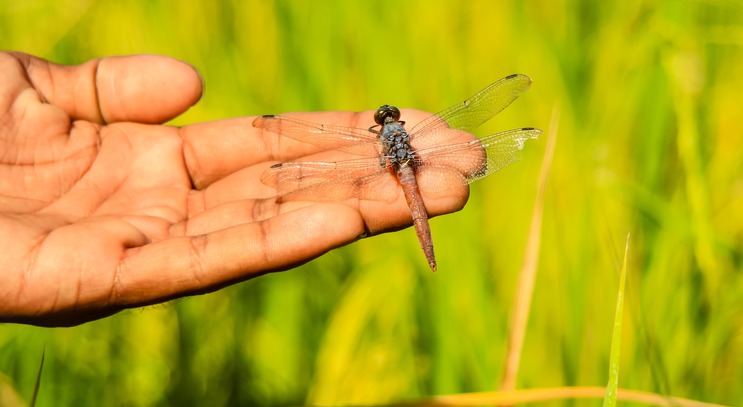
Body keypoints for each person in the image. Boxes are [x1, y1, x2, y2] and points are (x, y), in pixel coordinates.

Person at [0, 51, 471, 327]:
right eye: (387, 121)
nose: (388, 123)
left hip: (396, 170)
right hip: (409, 167)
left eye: (387, 121)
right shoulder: (404, 136)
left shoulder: (377, 139)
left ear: (385, 125)